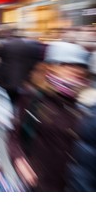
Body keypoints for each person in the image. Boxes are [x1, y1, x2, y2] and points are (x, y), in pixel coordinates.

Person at [8, 41, 90, 191]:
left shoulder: (88, 104)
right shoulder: (34, 98)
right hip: (39, 185)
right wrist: (19, 159)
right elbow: (15, 135)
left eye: (78, 66)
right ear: (51, 67)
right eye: (65, 65)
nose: (74, 70)